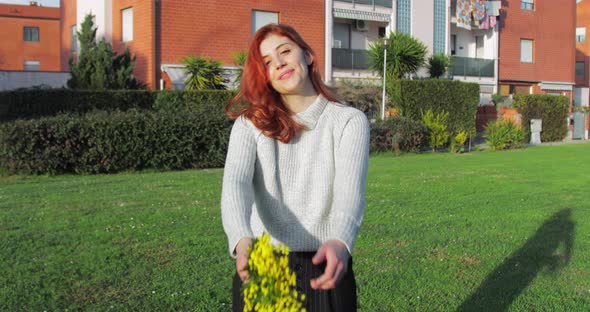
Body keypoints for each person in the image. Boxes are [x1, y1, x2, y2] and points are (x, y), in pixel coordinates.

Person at [221, 23, 369, 311]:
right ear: (264, 76)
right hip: (262, 264)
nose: (279, 63)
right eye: (266, 63)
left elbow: (349, 194)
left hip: (325, 263)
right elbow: (235, 184)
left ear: (307, 55)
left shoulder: (349, 121)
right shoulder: (248, 125)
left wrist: (340, 240)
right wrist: (241, 241)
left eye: (285, 51)